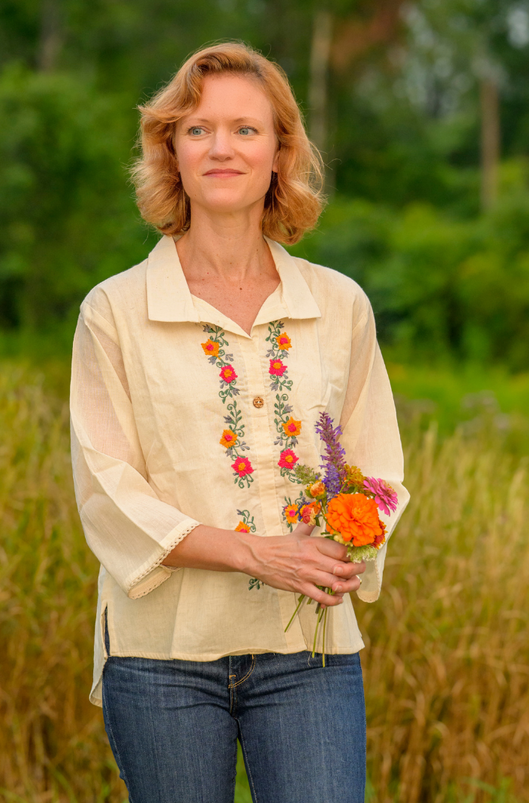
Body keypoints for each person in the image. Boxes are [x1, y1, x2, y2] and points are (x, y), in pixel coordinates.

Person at [70, 41, 409, 803]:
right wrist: (259, 553)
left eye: (245, 129)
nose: (221, 147)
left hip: (309, 654)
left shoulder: (340, 303)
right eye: (196, 129)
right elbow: (106, 487)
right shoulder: (114, 311)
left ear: (281, 153)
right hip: (160, 657)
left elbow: (377, 464)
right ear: (172, 154)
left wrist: (348, 537)